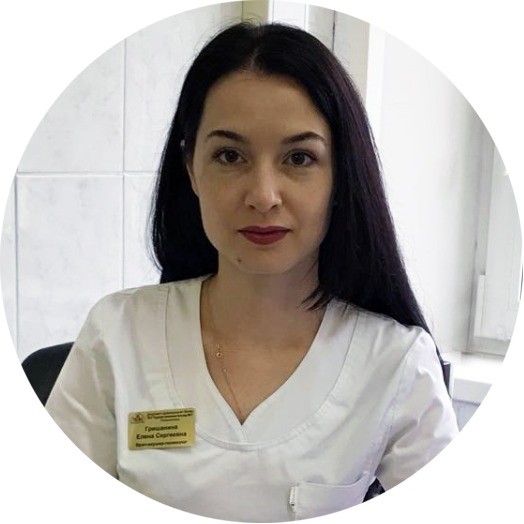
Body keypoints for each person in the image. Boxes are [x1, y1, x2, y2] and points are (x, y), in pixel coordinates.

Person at [46, 22, 459, 522]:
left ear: (341, 174)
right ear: (191, 168)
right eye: (229, 155)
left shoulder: (396, 363)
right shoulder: (117, 336)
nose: (263, 195)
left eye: (299, 158)